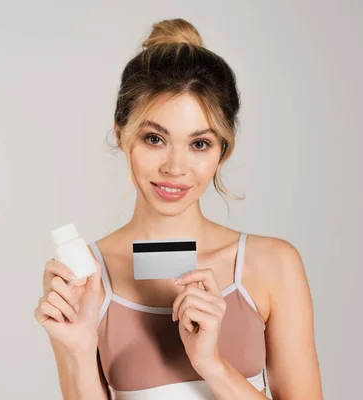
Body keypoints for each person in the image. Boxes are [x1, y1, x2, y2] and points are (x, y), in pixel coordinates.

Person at [34, 18, 323, 400]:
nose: (175, 167)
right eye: (155, 138)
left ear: (223, 148)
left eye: (199, 144)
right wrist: (79, 349)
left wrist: (211, 365)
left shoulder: (273, 265)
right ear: (121, 134)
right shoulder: (84, 277)